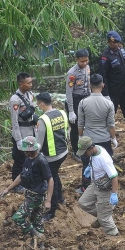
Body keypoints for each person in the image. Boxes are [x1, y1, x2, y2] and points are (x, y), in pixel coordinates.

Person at [0, 136, 53, 239]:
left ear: (32, 149)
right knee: (36, 219)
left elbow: (50, 179)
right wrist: (8, 189)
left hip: (36, 195)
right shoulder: (28, 158)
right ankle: (40, 241)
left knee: (18, 217)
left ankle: (34, 234)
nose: (24, 152)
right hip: (30, 193)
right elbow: (21, 175)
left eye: (26, 150)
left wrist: (48, 200)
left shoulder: (41, 161)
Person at [77, 74, 117, 194]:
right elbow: (111, 124)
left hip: (88, 138)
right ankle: (105, 186)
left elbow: (80, 123)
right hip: (104, 139)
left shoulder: (83, 103)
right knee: (105, 163)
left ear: (90, 86)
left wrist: (80, 136)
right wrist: (113, 138)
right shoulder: (108, 103)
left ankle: (85, 187)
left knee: (86, 165)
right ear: (103, 85)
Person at [35, 92, 69, 221]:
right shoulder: (62, 113)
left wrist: (34, 157)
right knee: (54, 175)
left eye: (38, 104)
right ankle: (60, 198)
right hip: (64, 152)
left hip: (52, 156)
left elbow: (38, 143)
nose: (38, 106)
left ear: (42, 104)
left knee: (50, 180)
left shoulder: (42, 120)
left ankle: (52, 210)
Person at [77, 136, 119, 236]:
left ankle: (114, 235)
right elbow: (93, 160)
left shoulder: (104, 159)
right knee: (83, 203)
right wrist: (89, 167)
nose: (84, 154)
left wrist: (114, 194)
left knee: (104, 218)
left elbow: (114, 176)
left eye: (85, 152)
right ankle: (102, 216)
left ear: (91, 148)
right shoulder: (96, 150)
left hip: (105, 190)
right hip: (96, 184)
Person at [9, 72, 36, 193]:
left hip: (31, 131)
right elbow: (14, 121)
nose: (31, 85)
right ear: (21, 84)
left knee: (30, 158)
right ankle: (16, 184)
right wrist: (18, 139)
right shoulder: (15, 100)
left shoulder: (29, 95)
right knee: (19, 160)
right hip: (22, 132)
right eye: (28, 83)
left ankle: (27, 180)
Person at [65, 49, 90, 161]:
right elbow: (69, 93)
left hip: (85, 99)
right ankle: (76, 151)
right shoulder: (72, 73)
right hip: (75, 100)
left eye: (86, 61)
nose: (84, 63)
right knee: (75, 127)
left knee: (85, 125)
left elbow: (88, 85)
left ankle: (86, 147)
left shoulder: (87, 68)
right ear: (77, 60)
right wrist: (71, 110)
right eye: (82, 62)